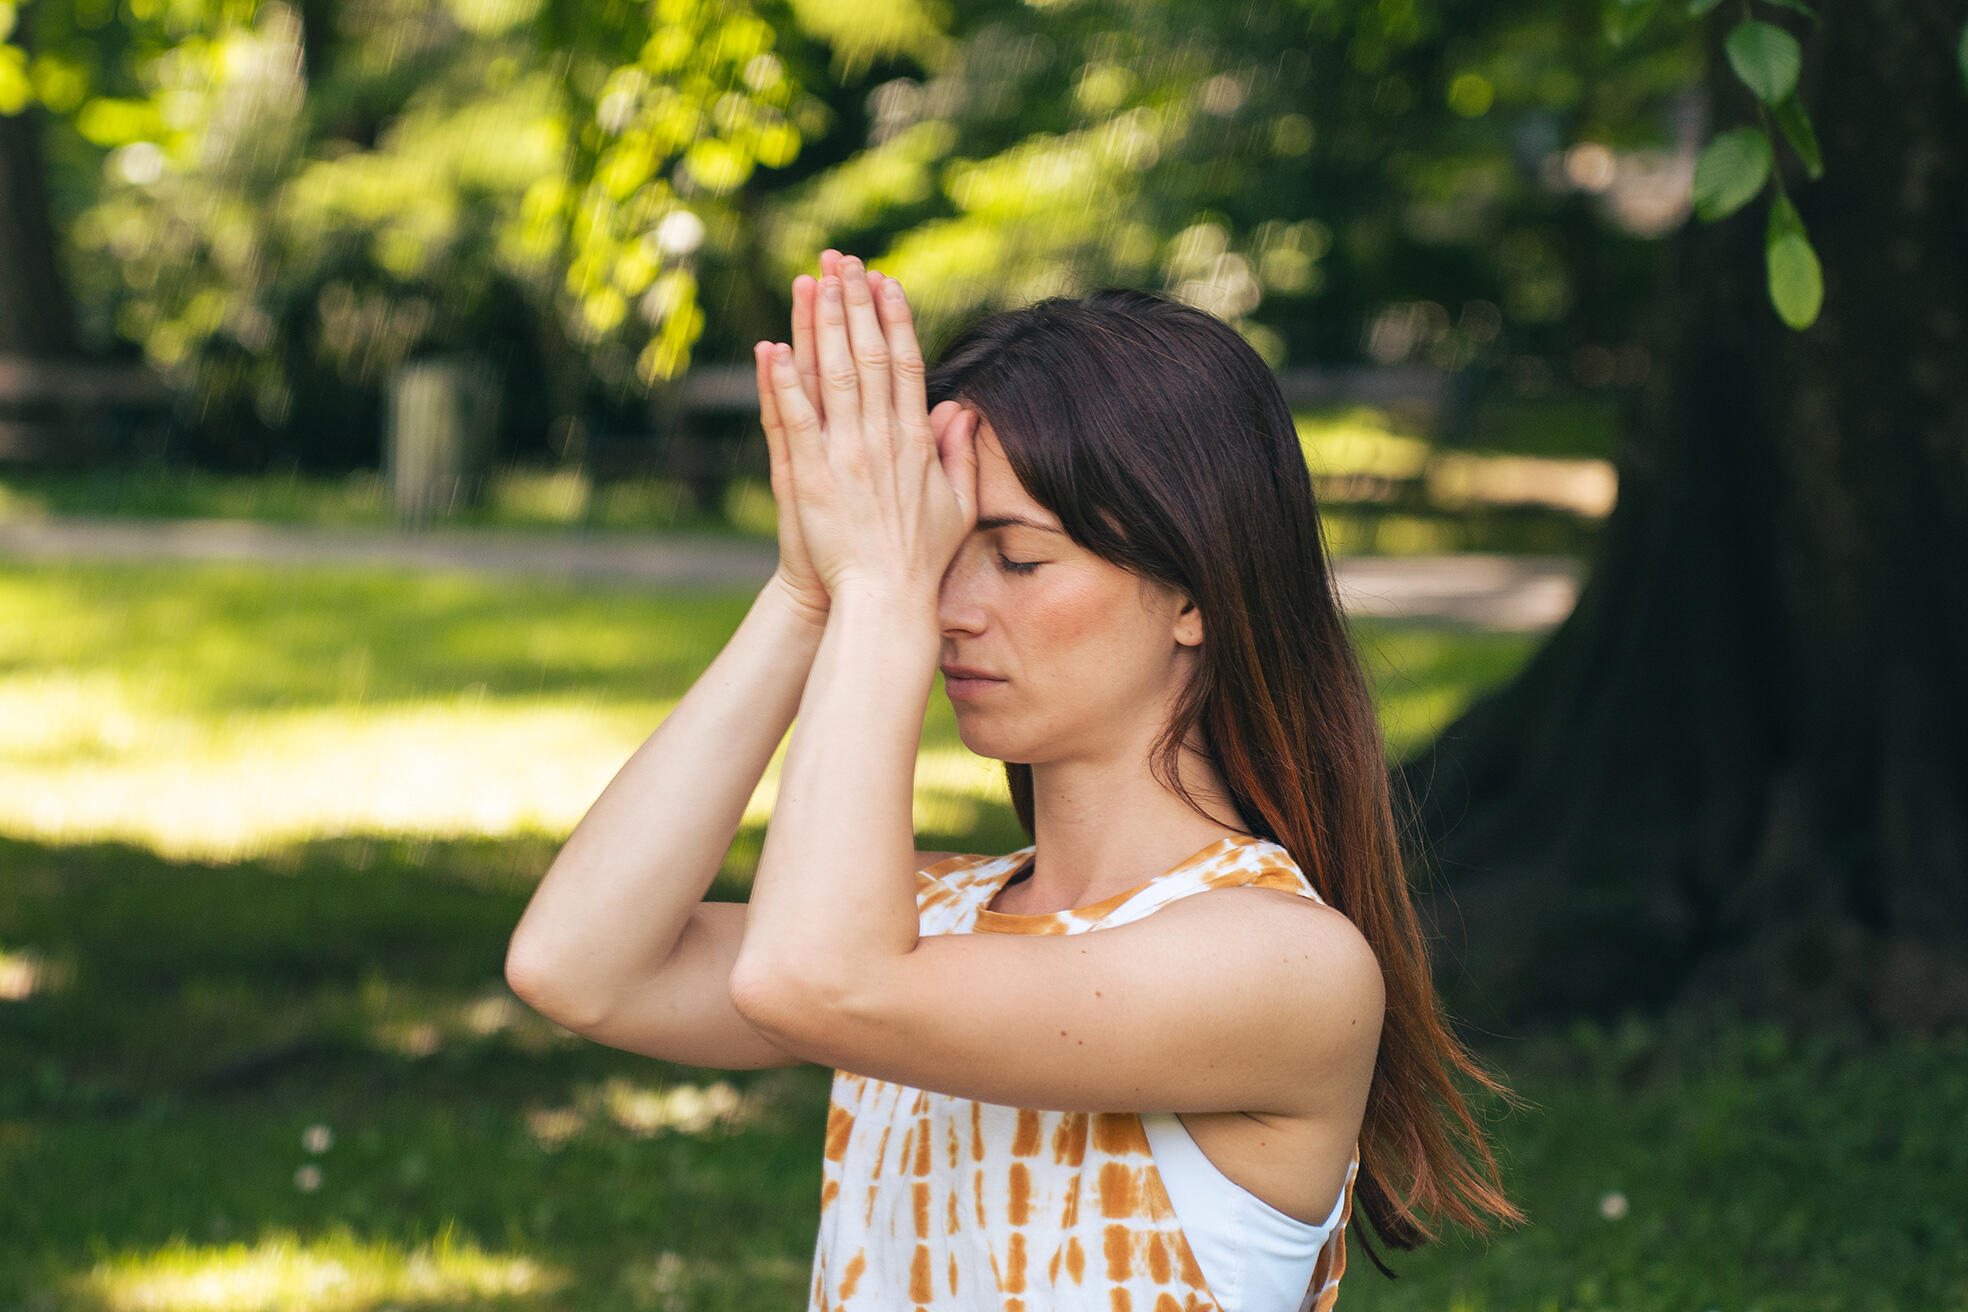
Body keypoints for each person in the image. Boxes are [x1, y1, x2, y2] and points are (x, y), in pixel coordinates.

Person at [504, 250, 1520, 1310]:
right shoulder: (921, 921)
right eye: (939, 553)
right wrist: (807, 593)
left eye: (1019, 559)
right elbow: (578, 965)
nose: (948, 608)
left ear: (1195, 596)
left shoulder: (1285, 962)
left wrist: (878, 591)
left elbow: (815, 981)